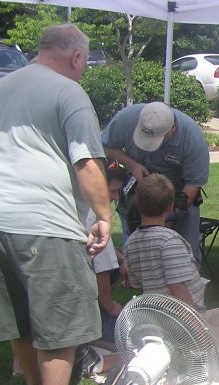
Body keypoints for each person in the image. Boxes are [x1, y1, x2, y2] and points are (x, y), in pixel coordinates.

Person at [0, 23, 109, 385]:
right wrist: (104, 216)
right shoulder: (68, 91)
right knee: (61, 317)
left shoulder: (3, 87)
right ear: (77, 57)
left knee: (20, 312)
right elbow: (87, 162)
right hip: (46, 221)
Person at [101, 101, 210, 263]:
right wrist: (133, 165)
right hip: (137, 190)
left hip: (178, 192)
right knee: (135, 251)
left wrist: (167, 216)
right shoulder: (126, 119)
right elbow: (108, 146)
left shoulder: (192, 138)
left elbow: (192, 186)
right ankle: (138, 277)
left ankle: (189, 280)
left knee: (187, 254)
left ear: (172, 130)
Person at [124, 174, 208, 312]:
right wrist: (198, 329)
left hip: (158, 315)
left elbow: (140, 287)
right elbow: (178, 289)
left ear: (137, 205)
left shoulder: (130, 244)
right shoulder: (170, 242)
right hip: (183, 321)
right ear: (170, 207)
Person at [87, 164, 130, 342]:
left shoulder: (82, 206)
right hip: (88, 312)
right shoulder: (95, 218)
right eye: (112, 191)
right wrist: (111, 306)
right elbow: (101, 269)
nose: (116, 197)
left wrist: (121, 259)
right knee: (132, 336)